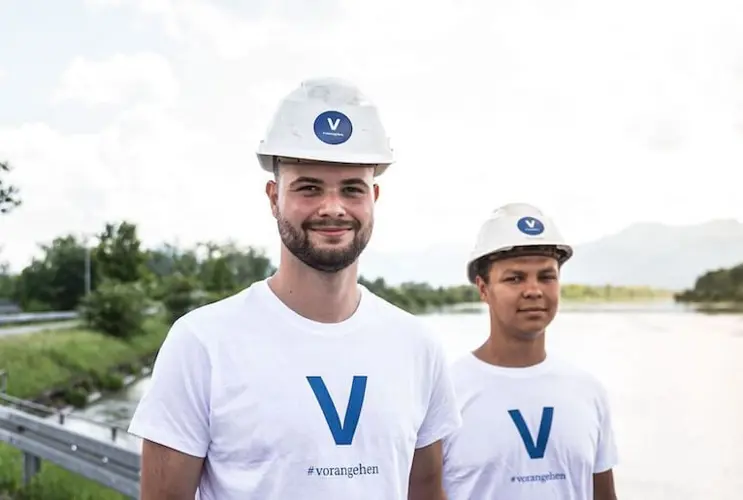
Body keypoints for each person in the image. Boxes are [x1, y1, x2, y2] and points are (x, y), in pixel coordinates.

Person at [127, 77, 462, 500]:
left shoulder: (418, 346)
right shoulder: (202, 343)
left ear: (374, 197)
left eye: (352, 189)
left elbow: (427, 492)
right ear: (273, 197)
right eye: (309, 188)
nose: (333, 207)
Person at [441, 202, 619, 500]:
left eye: (546, 276)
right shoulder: (445, 393)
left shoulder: (588, 392)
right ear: (483, 289)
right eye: (515, 278)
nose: (534, 290)